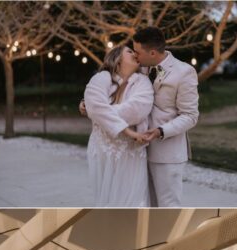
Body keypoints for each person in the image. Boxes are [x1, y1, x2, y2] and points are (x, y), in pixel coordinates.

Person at [132, 26, 200, 208]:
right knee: (146, 205)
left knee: (168, 206)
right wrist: (87, 101)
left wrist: (161, 131)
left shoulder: (184, 72)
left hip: (167, 153)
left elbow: (190, 115)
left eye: (137, 52)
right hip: (138, 151)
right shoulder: (139, 68)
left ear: (152, 52)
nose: (134, 56)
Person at [83, 44, 154, 207]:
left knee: (133, 201)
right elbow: (94, 106)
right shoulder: (101, 78)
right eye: (129, 51)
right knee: (105, 199)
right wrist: (127, 130)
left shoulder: (143, 82)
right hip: (102, 149)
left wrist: (99, 114)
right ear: (117, 58)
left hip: (130, 151)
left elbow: (138, 109)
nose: (135, 53)